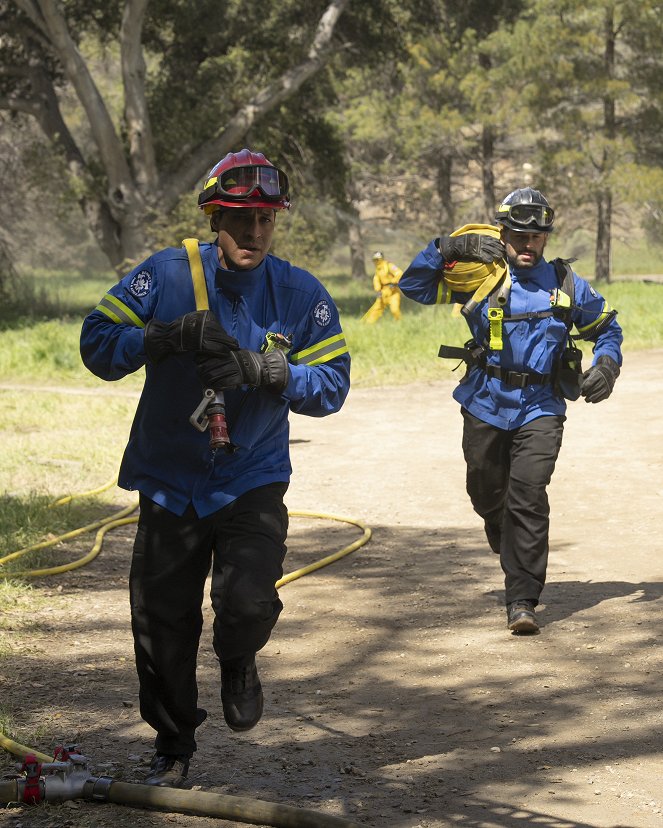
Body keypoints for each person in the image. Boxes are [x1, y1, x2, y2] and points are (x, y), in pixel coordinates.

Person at [80, 148, 351, 787]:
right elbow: (97, 343)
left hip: (251, 475)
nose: (252, 232)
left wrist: (268, 370)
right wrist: (162, 338)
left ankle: (238, 656)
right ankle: (173, 743)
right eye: (237, 217)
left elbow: (334, 385)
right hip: (170, 481)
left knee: (249, 601)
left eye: (265, 219)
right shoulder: (167, 276)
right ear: (213, 217)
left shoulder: (300, 292)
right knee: (160, 623)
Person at [399, 187, 623, 634]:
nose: (526, 243)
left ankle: (522, 599)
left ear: (545, 238)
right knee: (485, 491)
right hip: (483, 401)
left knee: (529, 495)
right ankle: (501, 530)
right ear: (501, 233)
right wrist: (448, 247)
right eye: (518, 234)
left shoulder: (565, 284)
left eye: (536, 236)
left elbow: (607, 328)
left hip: (541, 407)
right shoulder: (478, 276)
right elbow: (413, 286)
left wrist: (608, 364)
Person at [361, 251, 404, 323]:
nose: (376, 262)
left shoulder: (389, 266)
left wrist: (393, 282)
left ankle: (400, 322)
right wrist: (378, 290)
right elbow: (376, 280)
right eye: (374, 260)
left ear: (381, 259)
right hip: (383, 292)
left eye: (377, 260)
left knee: (394, 309)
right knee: (377, 309)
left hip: (393, 292)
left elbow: (399, 273)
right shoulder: (378, 270)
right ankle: (368, 324)